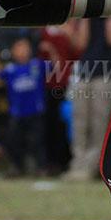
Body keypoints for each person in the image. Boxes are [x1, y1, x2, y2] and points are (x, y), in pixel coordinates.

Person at [67, 18, 111, 180]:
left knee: (100, 123)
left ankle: (94, 166)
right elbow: (81, 43)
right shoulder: (85, 15)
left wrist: (110, 14)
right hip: (84, 73)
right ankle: (78, 163)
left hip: (105, 75)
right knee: (80, 122)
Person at [38, 21, 88, 175]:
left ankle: (65, 161)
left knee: (66, 124)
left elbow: (78, 51)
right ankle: (51, 163)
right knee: (49, 125)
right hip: (47, 84)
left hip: (67, 83)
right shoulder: (45, 30)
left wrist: (69, 33)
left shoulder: (72, 27)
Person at [0, 37, 46, 176]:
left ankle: (40, 167)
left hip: (35, 112)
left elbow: (55, 67)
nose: (22, 51)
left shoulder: (37, 65)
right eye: (18, 48)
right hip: (17, 113)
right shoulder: (10, 69)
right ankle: (17, 167)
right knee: (15, 141)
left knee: (37, 141)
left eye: (24, 47)